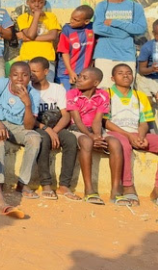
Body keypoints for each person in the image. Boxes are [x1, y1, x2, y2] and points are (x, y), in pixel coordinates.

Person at [66, 67, 126, 205]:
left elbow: (97, 120)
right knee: (87, 142)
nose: (79, 79)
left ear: (96, 83)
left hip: (95, 129)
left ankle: (116, 191)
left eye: (84, 78)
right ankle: (89, 190)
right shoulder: (72, 94)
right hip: (77, 128)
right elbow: (77, 119)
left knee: (116, 143)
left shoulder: (103, 94)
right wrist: (91, 136)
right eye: (80, 76)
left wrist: (98, 136)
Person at [0, 61, 41, 199]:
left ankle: (22, 183)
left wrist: (27, 103)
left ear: (30, 77)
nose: (20, 79)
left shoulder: (34, 94)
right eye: (15, 75)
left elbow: (28, 126)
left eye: (25, 75)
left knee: (34, 138)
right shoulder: (1, 84)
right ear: (10, 76)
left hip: (18, 127)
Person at [104, 64, 158, 206]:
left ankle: (157, 189)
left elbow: (144, 122)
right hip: (115, 132)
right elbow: (106, 122)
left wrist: (140, 136)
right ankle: (128, 186)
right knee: (124, 145)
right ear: (113, 78)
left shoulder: (139, 96)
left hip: (136, 132)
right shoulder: (107, 94)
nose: (126, 75)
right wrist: (129, 136)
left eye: (128, 73)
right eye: (120, 73)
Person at [29, 57, 79, 201]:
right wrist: (48, 131)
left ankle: (64, 185)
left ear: (46, 71)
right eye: (30, 70)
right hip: (37, 126)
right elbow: (29, 118)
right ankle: (46, 184)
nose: (31, 74)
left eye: (35, 71)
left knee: (70, 139)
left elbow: (65, 116)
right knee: (43, 139)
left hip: (55, 127)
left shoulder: (57, 88)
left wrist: (54, 131)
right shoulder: (29, 89)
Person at [93, 0, 146, 87]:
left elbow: (140, 29)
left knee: (125, 91)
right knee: (103, 91)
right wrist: (125, 33)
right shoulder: (102, 6)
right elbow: (97, 28)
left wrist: (115, 22)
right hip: (104, 55)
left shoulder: (135, 7)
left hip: (126, 56)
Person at [15, 0, 61, 81]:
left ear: (44, 3)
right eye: (33, 2)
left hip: (47, 58)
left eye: (40, 2)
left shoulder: (51, 17)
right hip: (28, 58)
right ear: (28, 2)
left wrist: (28, 38)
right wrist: (36, 16)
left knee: (47, 86)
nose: (37, 5)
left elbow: (52, 36)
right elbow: (31, 34)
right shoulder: (23, 18)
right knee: (28, 87)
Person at [57, 4, 95, 91]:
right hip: (66, 73)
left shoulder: (93, 28)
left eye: (76, 20)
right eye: (71, 18)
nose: (71, 21)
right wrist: (70, 71)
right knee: (67, 98)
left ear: (86, 22)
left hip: (84, 73)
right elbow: (64, 52)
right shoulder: (67, 29)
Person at [137, 19, 158, 101]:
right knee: (146, 104)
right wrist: (152, 69)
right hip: (146, 78)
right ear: (153, 33)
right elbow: (141, 70)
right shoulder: (147, 47)